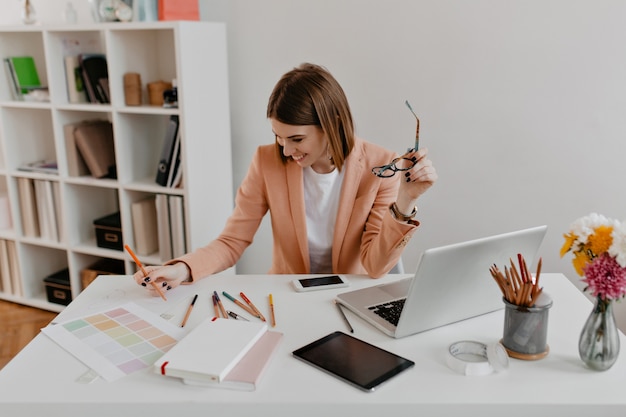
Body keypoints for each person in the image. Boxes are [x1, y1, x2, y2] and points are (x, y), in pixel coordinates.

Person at [134, 63, 437, 295]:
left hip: (351, 297)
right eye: (278, 137)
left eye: (296, 138)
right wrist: (183, 270)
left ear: (331, 125)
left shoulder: (380, 165)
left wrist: (406, 199)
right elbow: (232, 241)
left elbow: (375, 266)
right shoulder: (267, 161)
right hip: (287, 297)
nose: (286, 149)